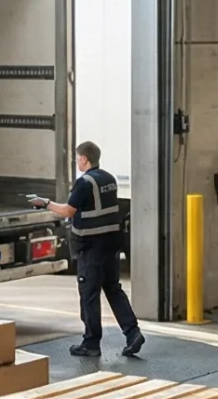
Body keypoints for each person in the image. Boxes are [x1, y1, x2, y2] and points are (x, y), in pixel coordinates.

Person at [35, 142, 144, 359]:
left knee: (89, 295)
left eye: (77, 158)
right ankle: (133, 333)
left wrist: (45, 203)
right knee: (113, 289)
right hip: (111, 245)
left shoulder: (84, 183)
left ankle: (91, 343)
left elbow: (67, 210)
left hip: (91, 247)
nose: (77, 162)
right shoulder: (109, 179)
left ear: (84, 158)